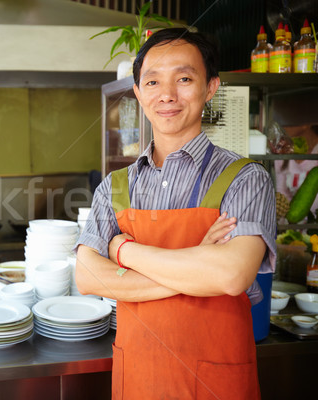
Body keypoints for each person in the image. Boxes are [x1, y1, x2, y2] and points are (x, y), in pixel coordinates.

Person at [75, 28, 276, 400]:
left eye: (184, 79)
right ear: (137, 93)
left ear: (211, 87)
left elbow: (231, 275)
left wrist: (124, 253)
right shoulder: (116, 186)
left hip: (216, 381)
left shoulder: (246, 179)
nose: (166, 94)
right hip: (138, 376)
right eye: (152, 81)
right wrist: (198, 264)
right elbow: (87, 277)